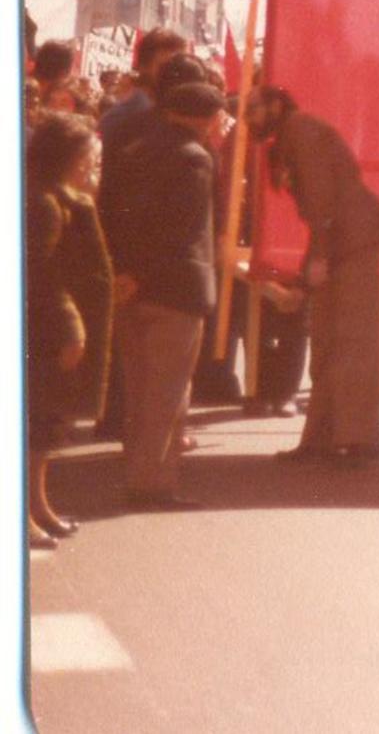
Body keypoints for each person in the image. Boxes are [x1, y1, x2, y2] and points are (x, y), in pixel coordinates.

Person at [248, 87, 379, 467]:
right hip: (344, 241)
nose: (248, 118)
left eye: (253, 110)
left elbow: (321, 200)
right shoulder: (293, 133)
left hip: (351, 242)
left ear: (276, 106)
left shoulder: (300, 131)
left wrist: (319, 258)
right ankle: (324, 437)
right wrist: (309, 269)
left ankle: (359, 440)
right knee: (330, 340)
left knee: (349, 341)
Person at [116, 78, 227, 509]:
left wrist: (127, 272)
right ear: (209, 118)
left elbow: (117, 212)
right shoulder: (195, 158)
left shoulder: (135, 149)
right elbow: (181, 230)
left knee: (139, 387)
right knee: (167, 393)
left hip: (133, 288)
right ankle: (153, 483)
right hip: (176, 289)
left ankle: (138, 471)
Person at [25, 114, 115, 547]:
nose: (90, 164)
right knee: (34, 424)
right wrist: (70, 324)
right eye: (86, 156)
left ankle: (37, 505)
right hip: (42, 333)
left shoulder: (63, 197)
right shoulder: (43, 202)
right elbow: (38, 273)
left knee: (46, 426)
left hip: (48, 330)